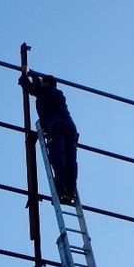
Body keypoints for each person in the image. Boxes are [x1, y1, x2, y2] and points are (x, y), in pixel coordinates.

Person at [19, 70, 79, 204]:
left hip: (56, 126)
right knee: (70, 160)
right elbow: (38, 87)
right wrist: (34, 76)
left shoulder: (45, 92)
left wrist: (24, 73)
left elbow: (29, 87)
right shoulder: (58, 94)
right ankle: (70, 190)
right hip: (70, 128)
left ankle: (61, 189)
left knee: (58, 159)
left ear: (46, 83)